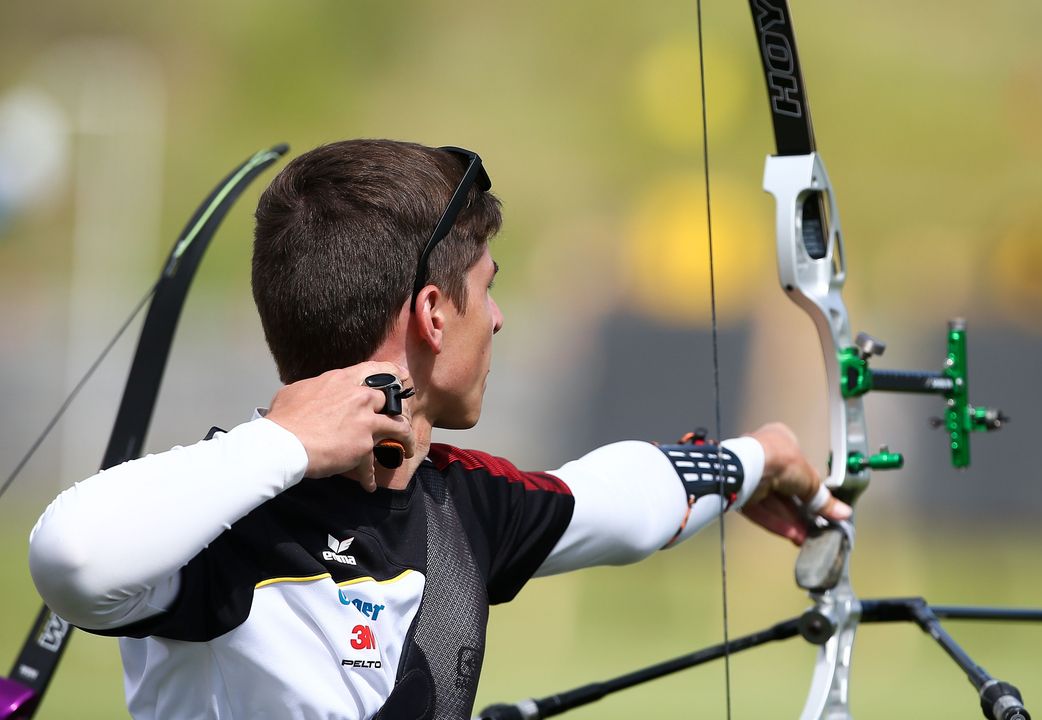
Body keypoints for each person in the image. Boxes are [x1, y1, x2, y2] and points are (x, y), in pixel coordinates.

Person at [28, 139, 850, 719]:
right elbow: (73, 556)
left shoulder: (461, 502)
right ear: (431, 312)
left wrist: (762, 456)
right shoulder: (218, 515)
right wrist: (286, 444)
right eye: (486, 289)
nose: (497, 319)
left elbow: (614, 499)